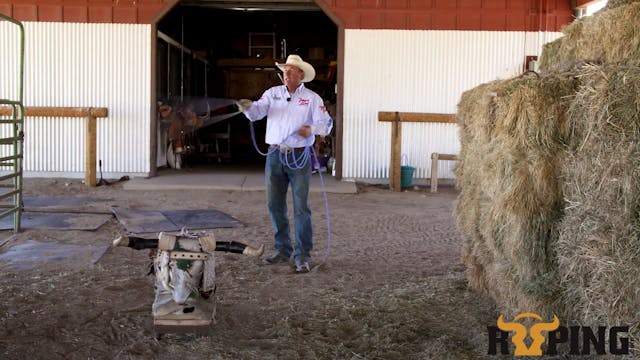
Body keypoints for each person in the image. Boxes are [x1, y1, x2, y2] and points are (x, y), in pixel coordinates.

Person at [237, 54, 333, 273]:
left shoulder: (311, 98)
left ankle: (302, 255)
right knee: (274, 205)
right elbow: (257, 113)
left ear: (301, 75)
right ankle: (282, 250)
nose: (286, 73)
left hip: (299, 156)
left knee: (301, 207)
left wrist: (310, 130)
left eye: (291, 70)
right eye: (285, 70)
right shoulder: (272, 94)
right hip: (275, 154)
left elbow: (326, 124)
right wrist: (247, 107)